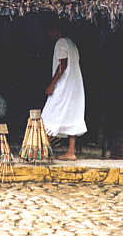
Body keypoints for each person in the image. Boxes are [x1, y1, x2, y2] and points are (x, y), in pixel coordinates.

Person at [42, 21, 87, 160]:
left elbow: (63, 65)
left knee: (49, 114)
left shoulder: (61, 42)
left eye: (50, 31)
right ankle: (71, 152)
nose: (49, 35)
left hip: (64, 86)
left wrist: (52, 84)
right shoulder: (72, 43)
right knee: (71, 115)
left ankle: (42, 150)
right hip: (75, 86)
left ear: (56, 30)